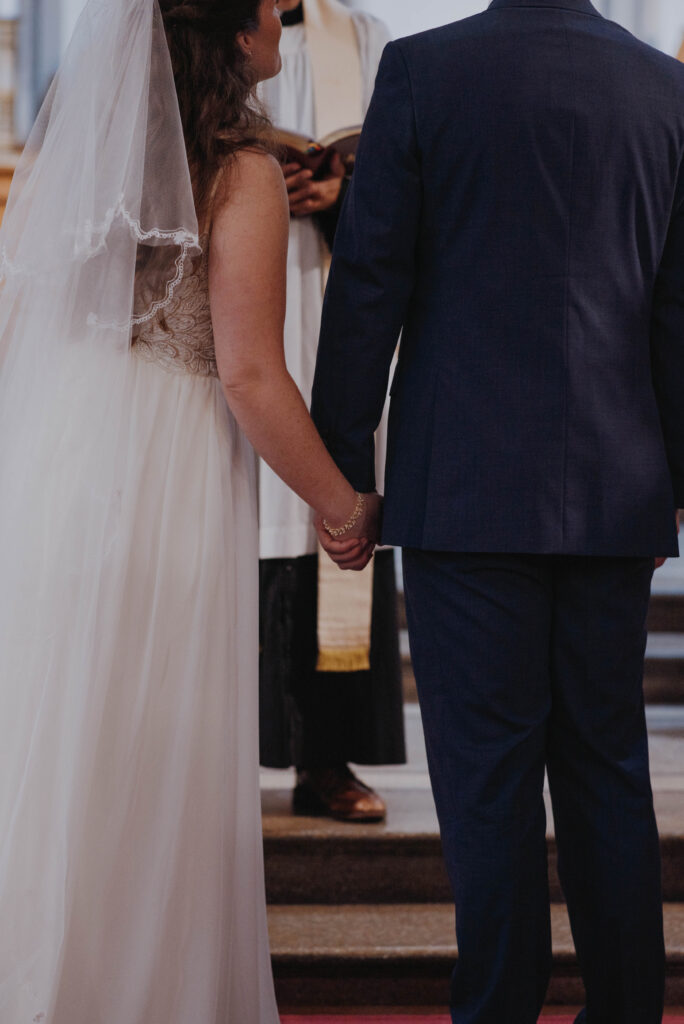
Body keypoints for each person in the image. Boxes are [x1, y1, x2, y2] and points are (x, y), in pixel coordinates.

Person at [0, 0, 380, 1021]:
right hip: (162, 479)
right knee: (149, 743)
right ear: (222, 33)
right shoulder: (240, 170)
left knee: (66, 734)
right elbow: (253, 377)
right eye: (260, 3)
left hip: (58, 463)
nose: (277, 16)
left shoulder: (95, 155)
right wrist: (343, 506)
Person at [312, 0, 684, 1021]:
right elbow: (676, 309)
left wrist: (342, 474)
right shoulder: (664, 89)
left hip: (465, 488)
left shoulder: (426, 74)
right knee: (607, 773)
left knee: (488, 786)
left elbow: (370, 282)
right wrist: (669, 488)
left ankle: (497, 1011)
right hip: (614, 490)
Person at [257, 0, 405, 822]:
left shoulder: (368, 41)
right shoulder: (203, 26)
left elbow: (408, 175)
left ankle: (325, 760)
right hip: (238, 309)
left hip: (328, 310)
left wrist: (339, 186)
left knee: (331, 524)